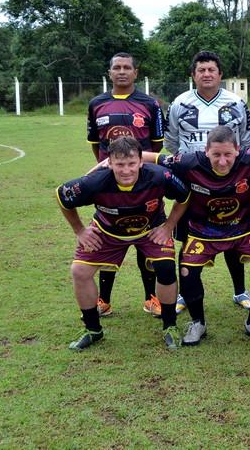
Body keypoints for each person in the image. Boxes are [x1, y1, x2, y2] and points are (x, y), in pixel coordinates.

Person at [58, 136, 189, 350]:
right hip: (107, 231)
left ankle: (170, 326)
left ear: (141, 161)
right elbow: (62, 197)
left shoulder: (160, 176)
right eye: (119, 164)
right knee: (79, 271)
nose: (126, 170)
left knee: (165, 268)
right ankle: (92, 329)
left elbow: (184, 197)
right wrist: (80, 230)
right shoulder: (94, 181)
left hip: (149, 230)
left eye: (131, 164)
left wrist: (167, 227)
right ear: (109, 163)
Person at [150, 126, 250, 346]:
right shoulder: (189, 161)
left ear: (238, 149)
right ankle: (198, 322)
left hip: (247, 229)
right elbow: (153, 157)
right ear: (206, 150)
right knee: (187, 271)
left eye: (228, 154)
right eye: (216, 154)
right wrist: (108, 162)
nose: (222, 161)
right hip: (203, 232)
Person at [165, 51, 250, 311]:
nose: (206, 74)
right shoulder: (180, 103)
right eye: (201, 70)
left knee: (234, 234)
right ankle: (185, 293)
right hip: (191, 182)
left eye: (211, 70)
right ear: (193, 75)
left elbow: (246, 141)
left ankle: (239, 291)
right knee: (189, 237)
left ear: (220, 75)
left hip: (229, 180)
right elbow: (172, 141)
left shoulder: (236, 103)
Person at [86, 52, 167, 318]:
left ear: (135, 72)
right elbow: (97, 146)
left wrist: (137, 170)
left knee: (147, 240)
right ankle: (103, 300)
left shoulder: (150, 103)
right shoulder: (96, 103)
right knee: (110, 238)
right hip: (110, 186)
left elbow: (155, 146)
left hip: (143, 185)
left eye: (127, 67)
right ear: (109, 72)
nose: (122, 71)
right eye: (117, 67)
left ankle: (151, 298)